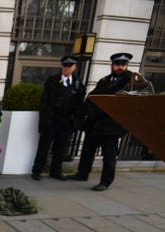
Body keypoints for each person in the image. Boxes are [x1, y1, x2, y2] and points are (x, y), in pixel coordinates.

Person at [67, 52, 137, 191]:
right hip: (96, 123)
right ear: (112, 65)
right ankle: (82, 173)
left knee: (109, 156)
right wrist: (85, 115)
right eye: (117, 64)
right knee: (87, 150)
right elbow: (92, 97)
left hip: (112, 126)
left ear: (126, 66)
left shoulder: (132, 81)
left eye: (123, 65)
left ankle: (105, 182)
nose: (120, 67)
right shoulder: (104, 80)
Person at [31, 55, 86, 181]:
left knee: (60, 147)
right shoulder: (52, 81)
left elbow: (79, 105)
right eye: (64, 66)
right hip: (52, 119)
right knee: (44, 146)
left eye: (69, 66)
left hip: (66, 121)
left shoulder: (78, 84)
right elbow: (44, 102)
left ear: (74, 68)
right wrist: (45, 120)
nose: (66, 68)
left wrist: (77, 122)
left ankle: (56, 171)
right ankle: (37, 170)